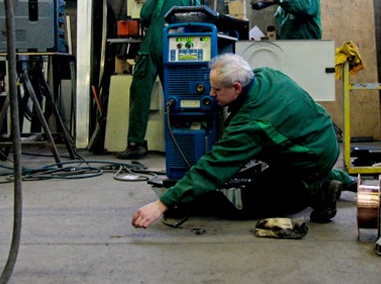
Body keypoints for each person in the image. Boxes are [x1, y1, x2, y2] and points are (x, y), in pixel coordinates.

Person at [132, 53, 355, 229]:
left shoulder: (251, 124)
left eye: (217, 89)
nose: (211, 93)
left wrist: (164, 203)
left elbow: (213, 168)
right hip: (323, 138)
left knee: (245, 204)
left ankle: (317, 192)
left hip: (310, 158)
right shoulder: (266, 74)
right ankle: (340, 179)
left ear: (236, 87)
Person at [117, 0, 200, 160]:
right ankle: (179, 144)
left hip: (152, 43)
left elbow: (145, 14)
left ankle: (135, 144)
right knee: (176, 96)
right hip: (177, 49)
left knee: (141, 95)